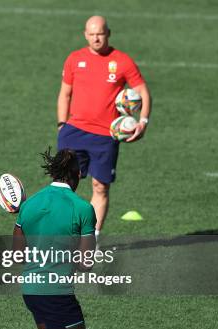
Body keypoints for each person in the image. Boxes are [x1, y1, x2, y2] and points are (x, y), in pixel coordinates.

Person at [57, 15, 151, 237]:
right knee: (63, 186)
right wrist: (61, 124)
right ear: (85, 35)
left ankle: (91, 240)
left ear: (108, 33)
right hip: (74, 132)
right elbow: (65, 94)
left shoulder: (122, 61)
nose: (96, 38)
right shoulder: (74, 59)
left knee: (100, 187)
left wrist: (143, 122)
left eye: (100, 33)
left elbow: (144, 93)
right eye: (91, 34)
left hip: (105, 136)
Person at [14, 148, 95, 329]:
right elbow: (85, 263)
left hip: (31, 291)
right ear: (77, 173)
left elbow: (18, 253)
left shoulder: (30, 204)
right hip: (57, 294)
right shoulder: (82, 208)